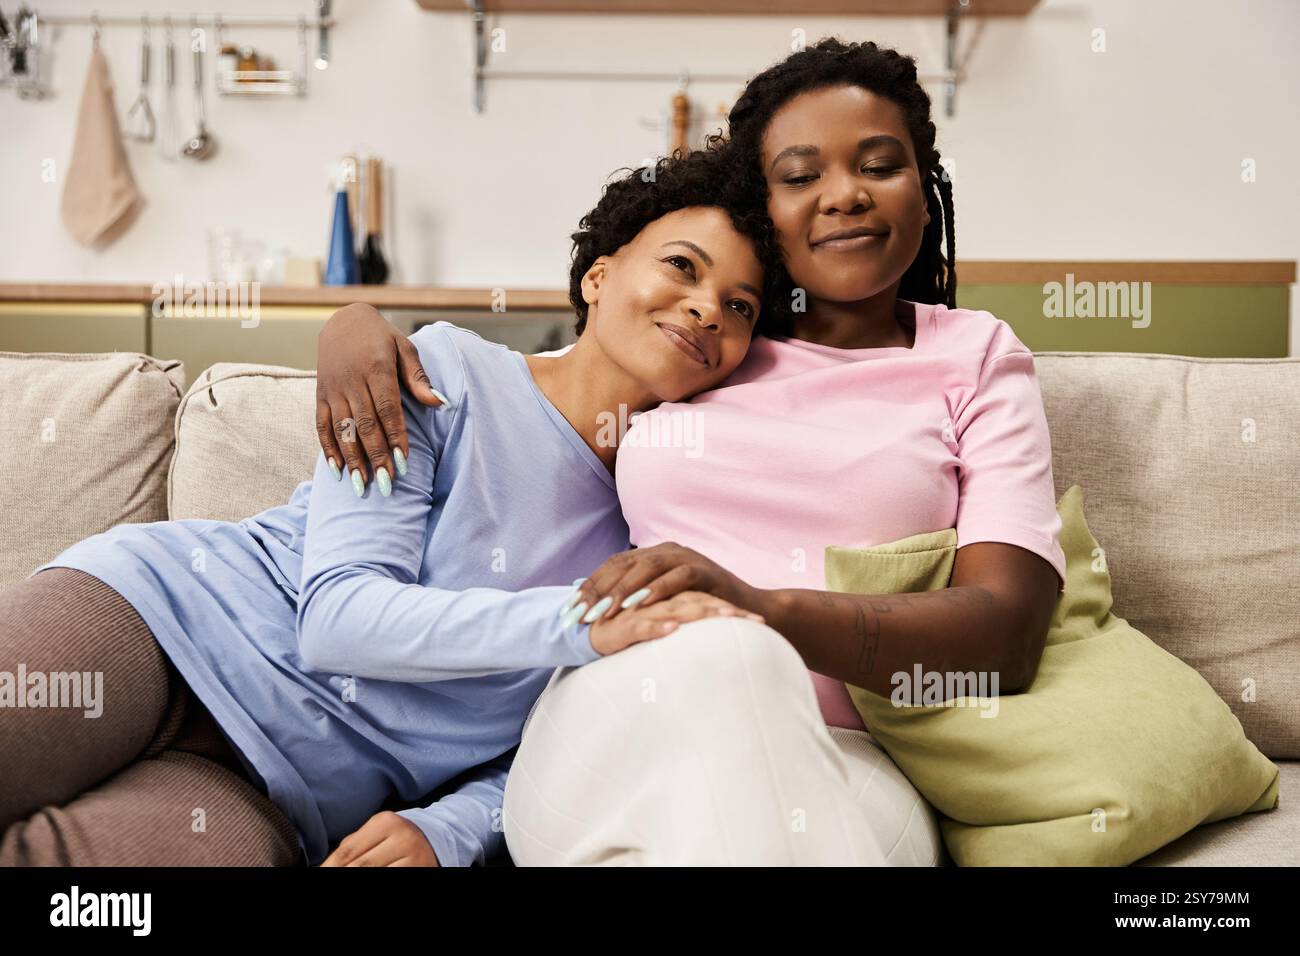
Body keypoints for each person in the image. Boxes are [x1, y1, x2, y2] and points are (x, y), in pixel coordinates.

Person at [313, 38, 1067, 866]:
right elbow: (532, 405)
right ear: (761, 205)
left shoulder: (977, 358)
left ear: (926, 194)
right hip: (620, 717)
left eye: (880, 166)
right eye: (801, 174)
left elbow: (1005, 637)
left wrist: (763, 610)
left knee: (739, 683)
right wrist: (353, 325)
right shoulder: (706, 343)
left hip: (844, 758)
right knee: (721, 658)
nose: (845, 195)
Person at [0, 148, 777, 867]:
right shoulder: (448, 373)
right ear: (599, 278)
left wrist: (451, 828)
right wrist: (579, 624)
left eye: (740, 307)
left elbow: (571, 740)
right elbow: (337, 618)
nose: (709, 309)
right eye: (683, 266)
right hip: (155, 622)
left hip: (270, 791)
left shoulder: (661, 527)